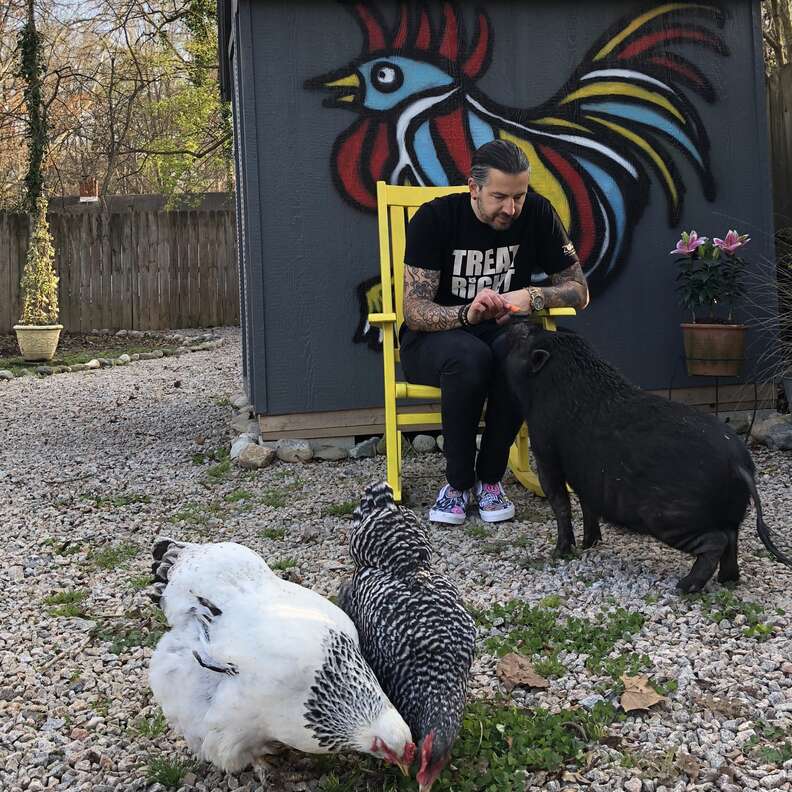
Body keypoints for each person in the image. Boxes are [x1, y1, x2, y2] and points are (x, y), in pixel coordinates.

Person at [400, 139, 589, 525]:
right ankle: (457, 484)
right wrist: (468, 314)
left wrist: (530, 296)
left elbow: (579, 290)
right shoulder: (435, 219)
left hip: (502, 329)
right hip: (434, 341)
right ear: (473, 187)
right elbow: (415, 311)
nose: (511, 208)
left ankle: (490, 479)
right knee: (470, 358)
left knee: (529, 354)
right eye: (500, 196)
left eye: (519, 196)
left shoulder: (536, 213)